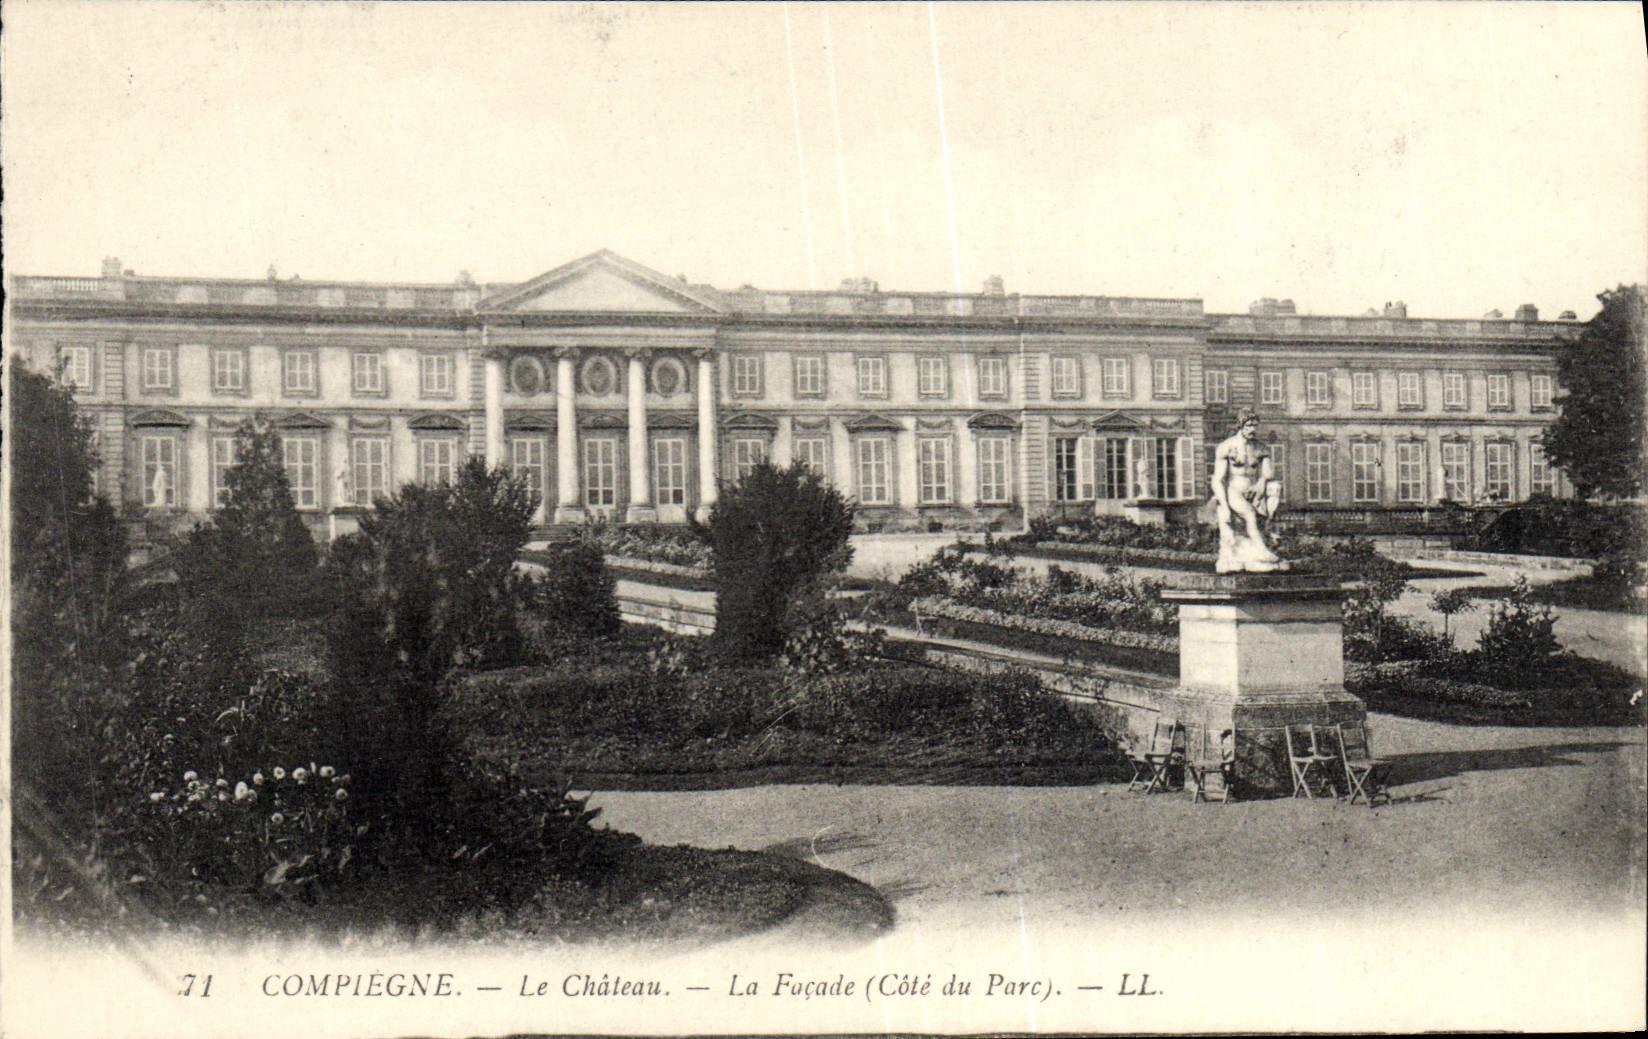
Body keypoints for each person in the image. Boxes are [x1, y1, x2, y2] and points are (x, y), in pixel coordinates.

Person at [1210, 411, 1287, 573]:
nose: (1253, 429)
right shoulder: (1227, 447)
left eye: (1255, 426)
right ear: (1241, 426)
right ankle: (1261, 550)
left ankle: (1269, 534)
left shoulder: (1260, 448)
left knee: (1274, 488)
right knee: (1250, 514)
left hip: (1254, 492)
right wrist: (1223, 505)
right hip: (1234, 491)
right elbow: (1217, 479)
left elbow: (1268, 473)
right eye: (1249, 425)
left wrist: (1261, 483)